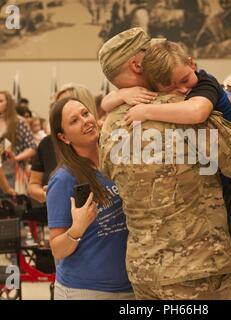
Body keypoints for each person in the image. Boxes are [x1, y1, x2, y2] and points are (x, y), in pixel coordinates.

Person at [99, 27, 231, 300]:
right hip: (198, 271)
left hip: (144, 270)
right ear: (138, 64)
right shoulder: (187, 113)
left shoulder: (110, 125)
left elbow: (110, 172)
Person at [46, 97, 134, 300]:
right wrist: (77, 228)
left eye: (85, 114)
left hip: (131, 286)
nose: (85, 121)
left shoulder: (118, 160)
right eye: (74, 120)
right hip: (86, 291)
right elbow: (57, 250)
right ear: (64, 138)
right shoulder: (64, 179)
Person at [28, 83, 98, 204]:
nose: (61, 108)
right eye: (57, 104)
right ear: (63, 137)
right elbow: (33, 185)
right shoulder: (46, 144)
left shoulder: (107, 140)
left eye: (85, 113)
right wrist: (53, 195)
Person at [0, 91, 36, 195]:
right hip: (1, 171)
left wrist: (16, 158)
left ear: (8, 103)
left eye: (1, 101)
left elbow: (32, 147)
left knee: (14, 204)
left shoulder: (19, 122)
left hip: (14, 172)